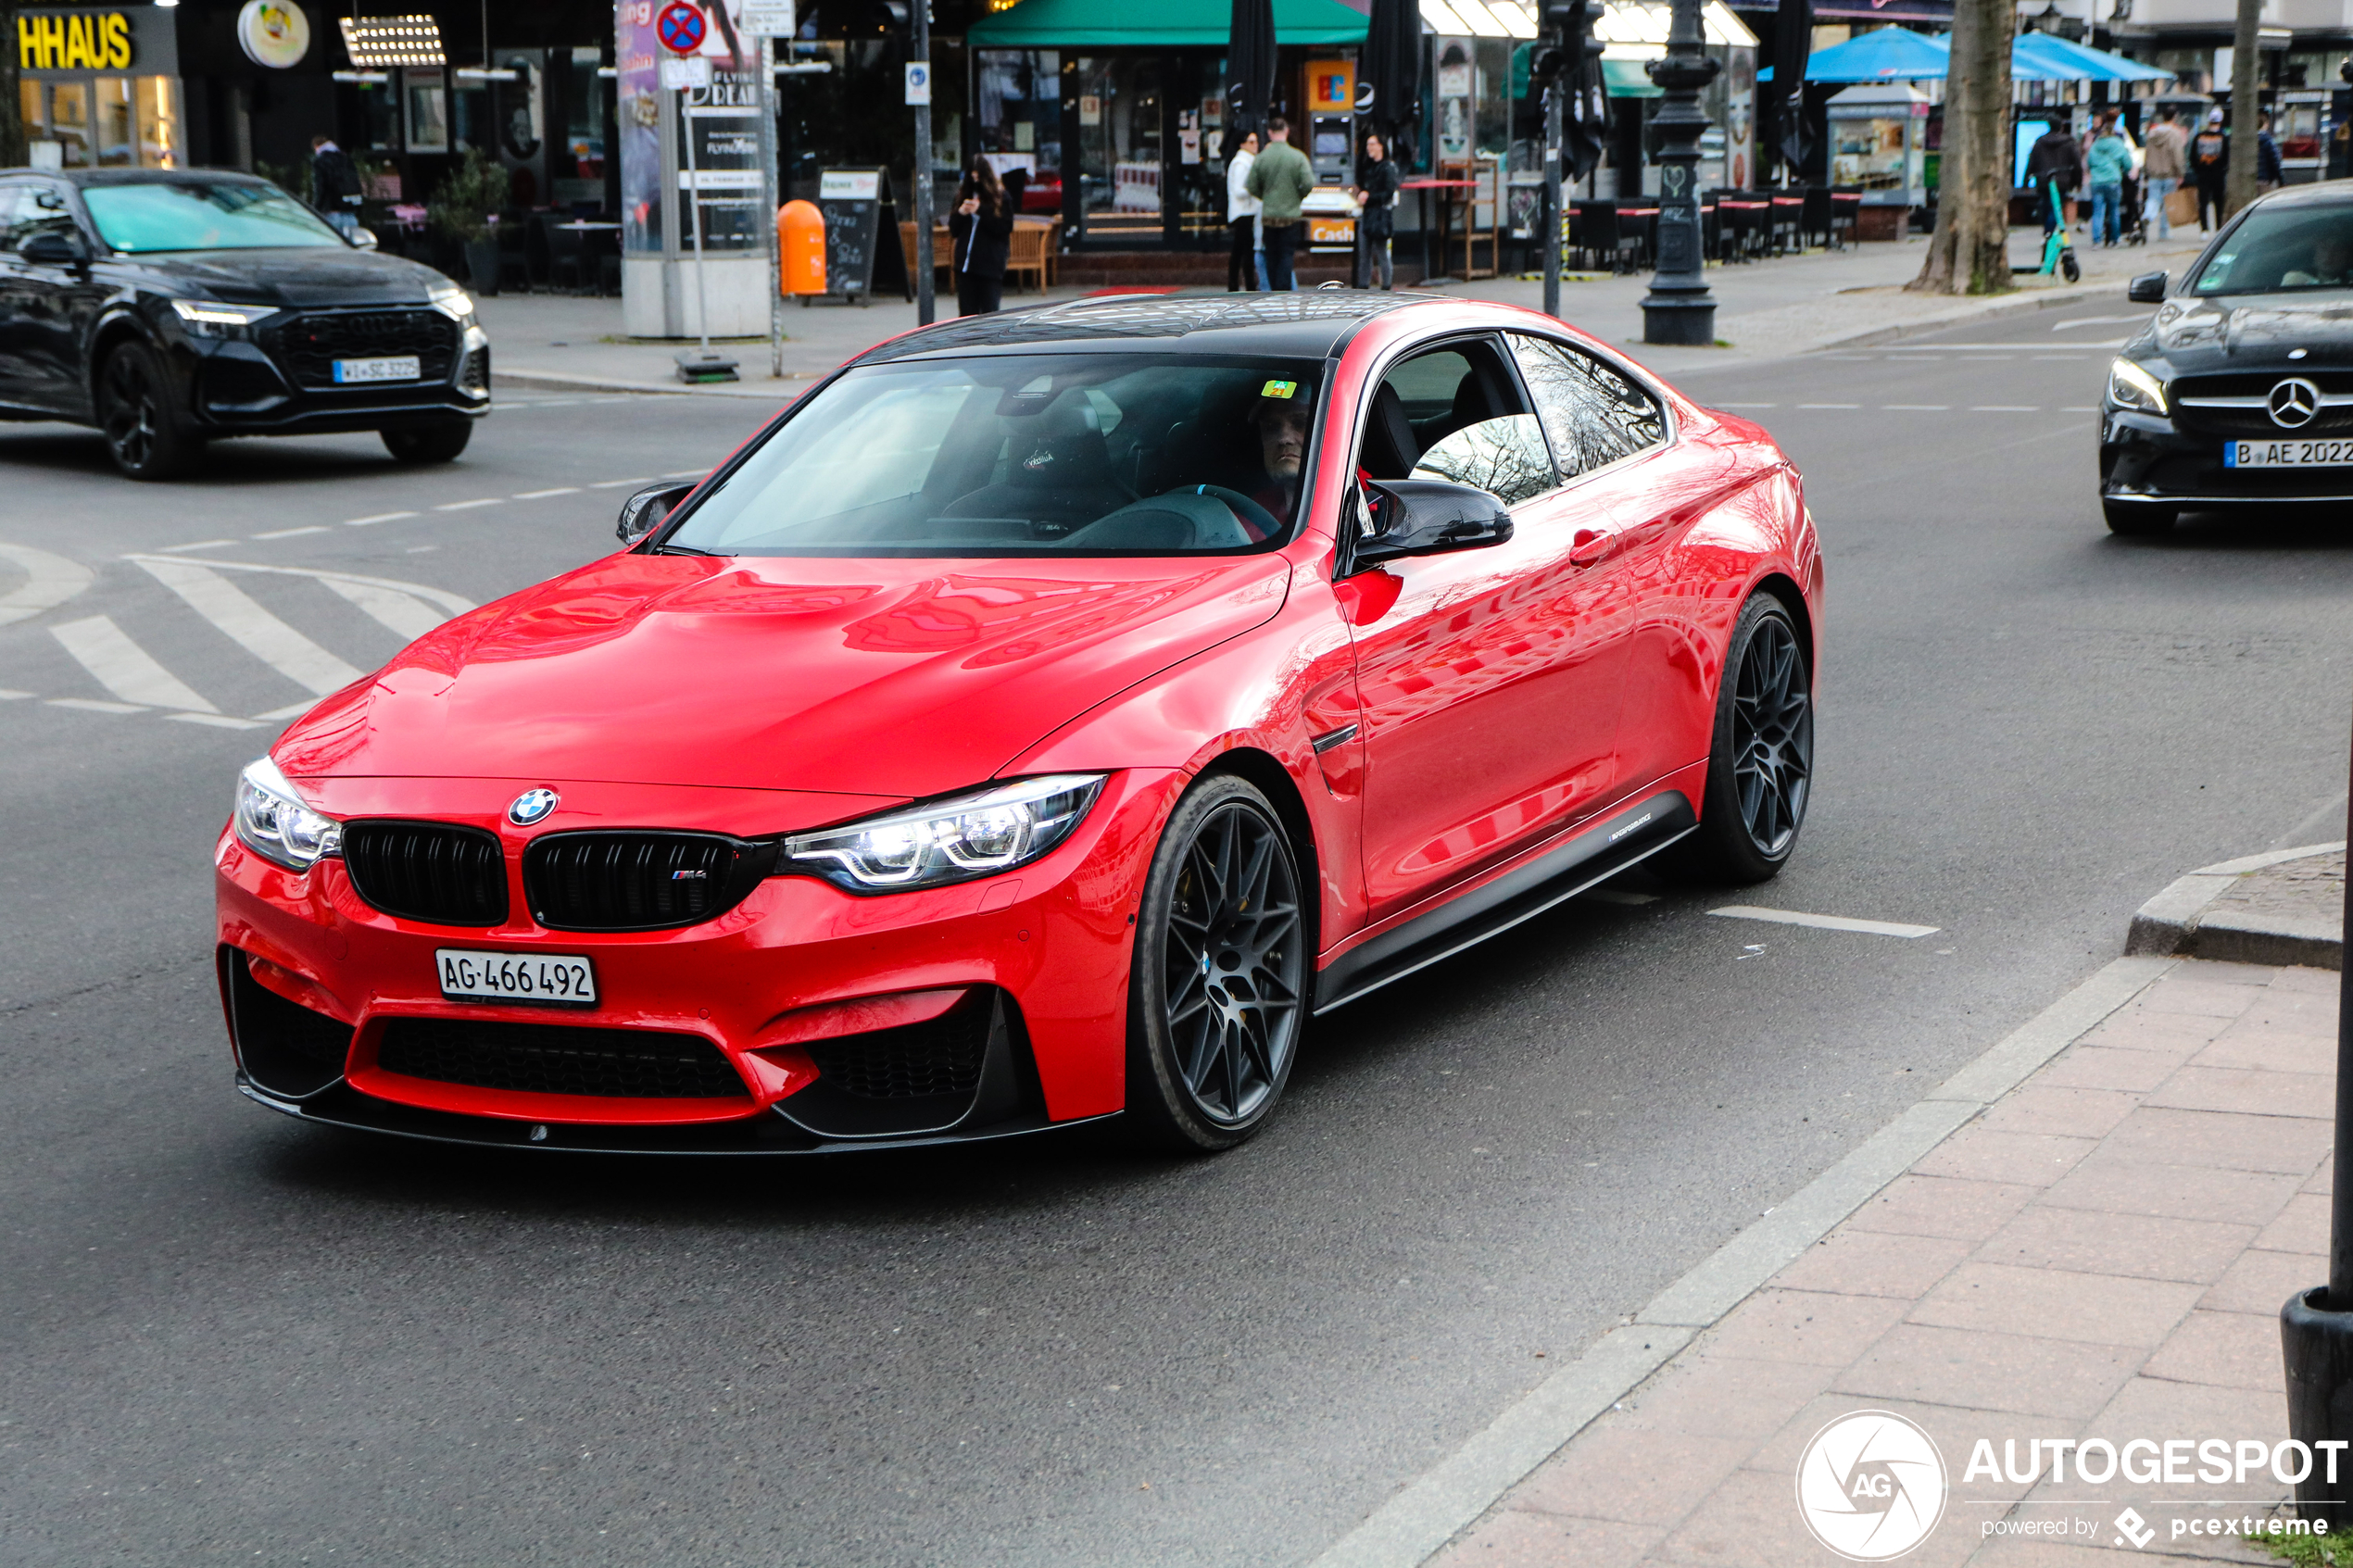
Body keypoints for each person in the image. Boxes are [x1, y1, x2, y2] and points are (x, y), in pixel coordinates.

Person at [1246, 116, 1315, 292]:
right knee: (1286, 255)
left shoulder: (1262, 158)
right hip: (1290, 216)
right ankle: (1283, 291)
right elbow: (1308, 183)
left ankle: (1273, 291)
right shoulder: (1298, 157)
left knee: (1271, 255)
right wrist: (1297, 197)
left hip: (1269, 216)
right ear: (1287, 131)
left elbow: (1251, 185)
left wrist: (1266, 196)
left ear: (1269, 133)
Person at [948, 155, 1013, 317]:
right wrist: (961, 213)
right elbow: (954, 230)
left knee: (989, 313)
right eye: (972, 178)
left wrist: (981, 211)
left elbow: (1004, 227)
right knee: (966, 315)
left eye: (978, 178)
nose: (976, 182)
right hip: (965, 266)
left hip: (990, 265)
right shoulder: (963, 195)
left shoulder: (1001, 197)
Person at [1243, 392, 1313, 530]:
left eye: (1301, 423)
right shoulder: (1255, 511)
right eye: (1271, 427)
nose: (1284, 438)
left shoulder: (1361, 509)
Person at [1351, 132, 1400, 291]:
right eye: (1367, 144)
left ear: (1381, 146)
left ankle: (1386, 285)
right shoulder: (1368, 166)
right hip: (1368, 213)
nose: (1369, 147)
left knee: (1381, 252)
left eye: (1372, 144)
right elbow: (1360, 179)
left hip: (1380, 214)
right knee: (1364, 252)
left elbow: (1388, 193)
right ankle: (1363, 285)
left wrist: (1369, 197)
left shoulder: (1388, 168)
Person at [2027, 120, 2084, 236]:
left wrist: (2026, 180)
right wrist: (2078, 182)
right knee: (2056, 207)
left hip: (2043, 179)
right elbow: (2077, 163)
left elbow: (2032, 161)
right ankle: (2049, 232)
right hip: (2062, 180)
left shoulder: (2040, 142)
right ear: (2061, 127)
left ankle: (2047, 230)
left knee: (2046, 205)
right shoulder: (2069, 142)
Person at [2086, 113, 2132, 246]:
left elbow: (2089, 162)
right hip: (2113, 180)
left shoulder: (2095, 145)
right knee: (2114, 210)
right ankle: (2115, 239)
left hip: (2096, 182)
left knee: (2097, 211)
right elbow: (2127, 163)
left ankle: (2096, 240)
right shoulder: (2118, 143)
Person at [2142, 106, 2185, 241]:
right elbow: (2177, 155)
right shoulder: (2175, 134)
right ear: (2174, 117)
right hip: (2169, 173)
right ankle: (2163, 232)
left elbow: (2147, 153)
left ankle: (2148, 215)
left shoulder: (2152, 133)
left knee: (2153, 198)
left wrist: (2146, 169)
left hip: (2154, 172)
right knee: (2167, 203)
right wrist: (2181, 172)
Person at [1226, 131, 1263, 291]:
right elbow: (1238, 190)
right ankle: (1248, 285)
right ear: (1242, 144)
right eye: (1251, 142)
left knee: (1239, 250)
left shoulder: (1246, 161)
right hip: (1244, 212)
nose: (1255, 145)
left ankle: (1235, 284)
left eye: (1256, 141)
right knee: (1245, 251)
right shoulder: (1242, 163)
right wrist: (1254, 189)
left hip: (1244, 212)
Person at [309, 134, 362, 238]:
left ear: (316, 146)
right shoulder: (346, 159)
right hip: (350, 211)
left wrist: (315, 208)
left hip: (331, 212)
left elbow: (320, 188)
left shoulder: (320, 161)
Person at [2193, 112, 2228, 232]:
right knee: (2219, 202)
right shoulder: (2223, 137)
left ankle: (2204, 229)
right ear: (2220, 121)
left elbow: (2193, 156)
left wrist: (2198, 169)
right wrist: (2222, 168)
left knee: (2203, 202)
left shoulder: (2199, 137)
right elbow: (2226, 157)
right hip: (2218, 174)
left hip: (2203, 174)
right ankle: (2219, 227)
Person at [2283, 232, 2353, 287]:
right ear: (2315, 252)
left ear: (2347, 256)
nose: (2329, 255)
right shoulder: (2295, 280)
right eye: (2324, 248)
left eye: (2337, 250)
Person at [2258, 110, 2284, 193]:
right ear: (2265, 124)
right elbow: (2275, 160)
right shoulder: (2268, 141)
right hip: (2266, 179)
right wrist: (2281, 179)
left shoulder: (2249, 141)